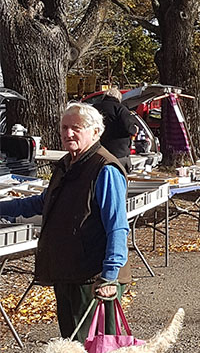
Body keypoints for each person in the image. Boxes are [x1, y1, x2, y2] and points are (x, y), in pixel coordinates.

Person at [0, 102, 129, 338]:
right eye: (64, 128)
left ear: (95, 132)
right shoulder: (67, 164)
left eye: (76, 128)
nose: (68, 134)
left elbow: (117, 226)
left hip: (92, 278)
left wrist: (110, 276)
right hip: (67, 272)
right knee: (71, 349)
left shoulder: (105, 168)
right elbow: (41, 203)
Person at [90, 87, 138, 170]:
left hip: (97, 151)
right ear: (118, 98)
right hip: (118, 152)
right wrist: (135, 129)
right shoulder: (121, 109)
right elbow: (129, 128)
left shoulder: (94, 108)